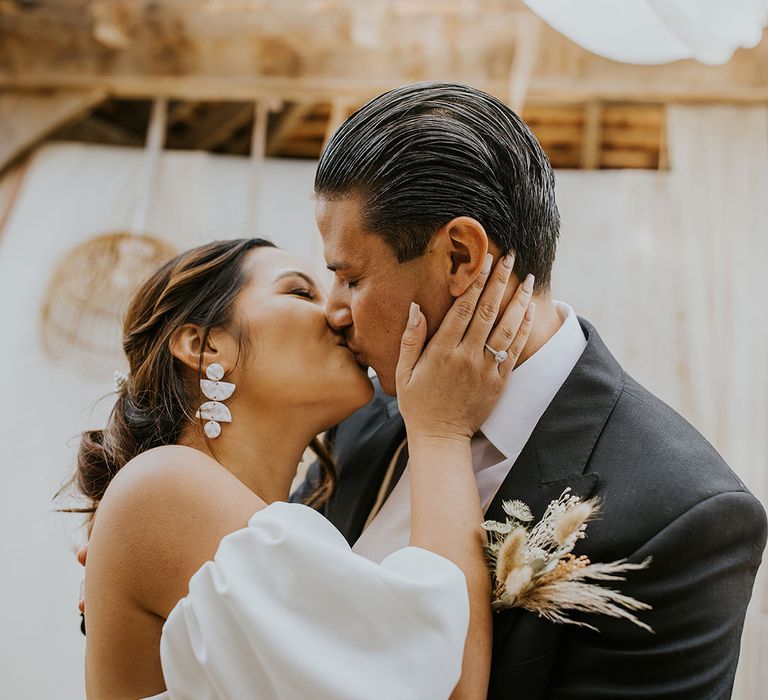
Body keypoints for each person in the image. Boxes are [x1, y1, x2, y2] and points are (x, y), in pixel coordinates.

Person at [294, 82, 768, 699]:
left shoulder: (685, 515)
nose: (333, 311)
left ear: (461, 257)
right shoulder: (364, 415)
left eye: (351, 277)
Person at [72, 236, 535, 699]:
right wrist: (442, 429)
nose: (338, 312)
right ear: (205, 344)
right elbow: (448, 686)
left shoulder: (275, 521)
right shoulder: (163, 487)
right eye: (299, 292)